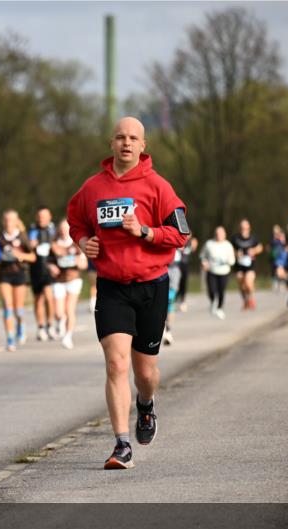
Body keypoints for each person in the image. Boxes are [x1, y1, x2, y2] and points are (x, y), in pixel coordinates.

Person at [67, 116, 190, 470]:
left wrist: (146, 232)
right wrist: (82, 242)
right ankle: (122, 444)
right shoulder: (92, 188)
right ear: (111, 143)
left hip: (152, 285)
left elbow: (181, 235)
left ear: (142, 145)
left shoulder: (158, 187)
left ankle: (146, 405)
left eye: (133, 138)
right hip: (112, 287)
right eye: (120, 137)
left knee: (145, 373)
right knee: (115, 363)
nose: (126, 143)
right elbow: (75, 220)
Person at [0, 209, 35, 351]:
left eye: (11, 220)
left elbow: (33, 257)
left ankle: (20, 324)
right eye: (6, 220)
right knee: (7, 306)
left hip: (19, 274)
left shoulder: (22, 237)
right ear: (3, 221)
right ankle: (10, 338)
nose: (8, 223)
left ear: (16, 221)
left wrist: (20, 255)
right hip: (4, 275)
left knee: (18, 309)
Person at [49, 219, 86, 349]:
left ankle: (68, 336)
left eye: (66, 228)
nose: (64, 231)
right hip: (58, 280)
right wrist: (52, 267)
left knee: (69, 309)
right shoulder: (54, 245)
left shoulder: (76, 244)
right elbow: (48, 262)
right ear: (59, 230)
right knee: (59, 312)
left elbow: (84, 264)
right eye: (62, 229)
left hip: (73, 280)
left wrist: (77, 261)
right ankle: (61, 322)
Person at [28, 206, 57, 341]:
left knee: (49, 297)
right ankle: (40, 327)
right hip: (35, 269)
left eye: (44, 216)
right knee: (38, 299)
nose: (41, 219)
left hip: (49, 269)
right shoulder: (32, 230)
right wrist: (30, 245)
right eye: (39, 216)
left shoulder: (53, 231)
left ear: (49, 217)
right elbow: (27, 246)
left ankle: (50, 324)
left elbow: (59, 248)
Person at [200, 226, 235, 319]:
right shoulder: (209, 244)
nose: (219, 235)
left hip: (224, 272)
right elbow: (202, 256)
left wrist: (228, 261)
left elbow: (232, 260)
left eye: (221, 234)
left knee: (221, 291)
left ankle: (220, 308)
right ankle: (212, 302)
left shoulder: (228, 245)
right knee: (211, 290)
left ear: (224, 235)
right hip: (211, 271)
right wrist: (204, 262)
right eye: (217, 233)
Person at [231, 219, 263, 311]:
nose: (244, 229)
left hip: (250, 265)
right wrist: (236, 253)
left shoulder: (253, 238)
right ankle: (245, 300)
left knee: (248, 283)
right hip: (239, 265)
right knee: (241, 284)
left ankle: (251, 298)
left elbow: (260, 247)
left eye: (246, 228)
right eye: (242, 228)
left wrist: (254, 251)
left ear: (249, 228)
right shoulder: (235, 238)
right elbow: (230, 248)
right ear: (239, 228)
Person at [174, 236, 197, 312]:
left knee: (184, 284)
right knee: (177, 283)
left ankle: (182, 301)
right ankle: (175, 299)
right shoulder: (178, 240)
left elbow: (192, 250)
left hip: (185, 265)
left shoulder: (190, 242)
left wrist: (194, 244)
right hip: (178, 265)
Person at [270, 225, 287, 293]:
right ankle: (282, 283)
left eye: (276, 231)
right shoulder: (273, 238)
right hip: (275, 257)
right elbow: (271, 246)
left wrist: (280, 238)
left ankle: (285, 282)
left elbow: (285, 243)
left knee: (280, 271)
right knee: (277, 271)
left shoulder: (282, 236)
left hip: (282, 256)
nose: (275, 233)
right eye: (274, 232)